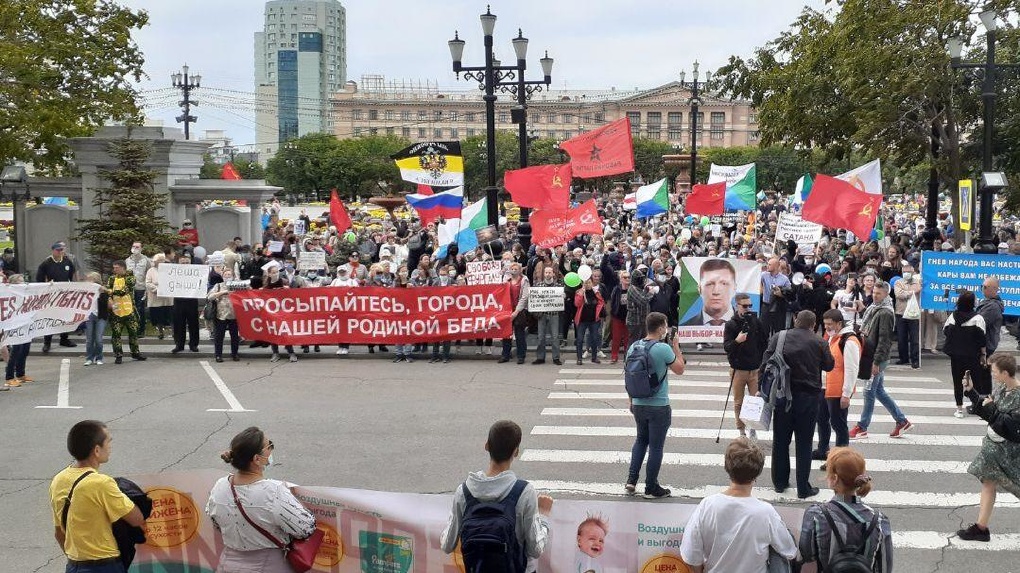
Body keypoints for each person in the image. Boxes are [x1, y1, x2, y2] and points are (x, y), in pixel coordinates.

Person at [440, 420, 553, 571]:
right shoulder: (524, 492)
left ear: (486, 445)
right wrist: (544, 516)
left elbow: (447, 545)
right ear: (516, 452)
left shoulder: (464, 491)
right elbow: (535, 549)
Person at [205, 427, 317, 572]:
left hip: (227, 565)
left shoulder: (220, 486)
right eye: (269, 446)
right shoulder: (273, 491)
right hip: (267, 566)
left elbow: (217, 523)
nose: (271, 449)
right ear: (257, 459)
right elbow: (306, 528)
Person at [680, 438, 798, 573]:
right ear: (757, 473)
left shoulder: (707, 506)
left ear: (727, 468)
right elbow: (789, 551)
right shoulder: (766, 512)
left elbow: (691, 556)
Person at [50, 420, 146, 573]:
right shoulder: (101, 483)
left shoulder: (59, 480)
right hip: (105, 566)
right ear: (96, 450)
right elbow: (137, 518)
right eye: (108, 441)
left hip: (73, 566)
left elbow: (59, 533)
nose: (110, 446)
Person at [766, 310, 835, 499]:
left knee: (780, 441)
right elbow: (829, 365)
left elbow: (766, 363)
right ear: (813, 325)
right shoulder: (819, 341)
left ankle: (780, 482)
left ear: (796, 321)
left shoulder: (779, 337)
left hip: (782, 396)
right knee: (804, 444)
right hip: (809, 399)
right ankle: (803, 488)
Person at [957, 353, 1020, 541]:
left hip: (1009, 453)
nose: (992, 374)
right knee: (988, 483)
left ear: (1005, 373)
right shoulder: (1001, 389)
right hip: (993, 448)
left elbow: (1010, 427)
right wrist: (971, 392)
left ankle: (981, 528)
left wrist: (991, 408)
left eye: (994, 371)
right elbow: (988, 409)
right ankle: (981, 528)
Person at [799, 448, 893, 569]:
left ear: (834, 479)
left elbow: (807, 555)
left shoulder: (816, 515)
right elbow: (885, 567)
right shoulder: (879, 520)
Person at [626, 312, 685, 499]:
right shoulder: (662, 348)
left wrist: (631, 401)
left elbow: (629, 375)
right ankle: (651, 487)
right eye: (665, 326)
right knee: (656, 447)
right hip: (658, 405)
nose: (666, 329)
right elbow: (680, 369)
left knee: (641, 440)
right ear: (660, 328)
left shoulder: (634, 346)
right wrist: (675, 346)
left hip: (637, 403)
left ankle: (631, 480)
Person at [850, 280, 913, 440]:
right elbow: (872, 325)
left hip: (876, 357)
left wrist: (876, 362)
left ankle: (862, 427)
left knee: (869, 392)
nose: (875, 296)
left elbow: (885, 339)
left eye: (878, 293)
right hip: (873, 354)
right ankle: (902, 421)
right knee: (878, 391)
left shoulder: (885, 312)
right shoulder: (876, 308)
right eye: (874, 292)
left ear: (886, 294)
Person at [816, 309, 860, 463]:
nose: (826, 327)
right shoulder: (832, 337)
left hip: (838, 390)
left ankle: (840, 459)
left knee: (838, 424)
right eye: (825, 324)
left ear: (839, 323)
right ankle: (823, 450)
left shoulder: (849, 341)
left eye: (830, 324)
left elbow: (851, 369)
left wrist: (846, 394)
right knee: (821, 420)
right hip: (825, 387)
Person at [723, 293, 768, 439]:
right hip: (738, 369)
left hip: (755, 369)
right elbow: (727, 347)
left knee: (755, 402)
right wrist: (737, 341)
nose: (748, 308)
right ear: (737, 306)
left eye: (750, 305)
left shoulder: (756, 321)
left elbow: (764, 342)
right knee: (739, 402)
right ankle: (741, 431)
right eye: (745, 306)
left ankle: (753, 429)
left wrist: (761, 363)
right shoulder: (731, 324)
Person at [944, 290, 987, 418]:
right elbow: (982, 339)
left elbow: (945, 331)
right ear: (973, 303)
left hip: (956, 355)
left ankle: (959, 409)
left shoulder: (953, 316)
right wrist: (983, 354)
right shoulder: (978, 318)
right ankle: (978, 408)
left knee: (957, 381)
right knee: (976, 381)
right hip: (973, 355)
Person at [36, 241, 78, 352]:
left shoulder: (67, 262)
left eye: (62, 250)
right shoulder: (46, 263)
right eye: (58, 250)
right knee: (50, 318)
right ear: (53, 250)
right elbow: (39, 279)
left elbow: (71, 276)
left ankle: (64, 339)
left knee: (64, 317)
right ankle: (47, 342)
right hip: (51, 296)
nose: (60, 252)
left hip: (64, 295)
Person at [107, 261, 146, 365]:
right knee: (116, 335)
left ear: (123, 268)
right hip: (116, 311)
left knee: (133, 333)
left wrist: (109, 291)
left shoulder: (130, 278)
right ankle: (118, 355)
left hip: (129, 311)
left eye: (117, 268)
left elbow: (123, 291)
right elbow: (108, 290)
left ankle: (135, 353)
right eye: (114, 268)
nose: (114, 270)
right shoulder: (111, 278)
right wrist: (109, 298)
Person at [974, 277, 1005, 398]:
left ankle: (983, 400)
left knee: (982, 374)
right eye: (982, 286)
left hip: (986, 344)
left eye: (985, 287)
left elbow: (980, 322)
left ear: (994, 289)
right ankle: (982, 399)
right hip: (984, 343)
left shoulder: (992, 306)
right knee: (982, 372)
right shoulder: (987, 303)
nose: (983, 289)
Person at [682, 259, 737, 326]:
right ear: (700, 289)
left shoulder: (750, 326)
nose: (716, 292)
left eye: (724, 284)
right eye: (710, 284)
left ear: (734, 288)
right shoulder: (685, 327)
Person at [262, 261, 297, 363]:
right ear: (268, 274)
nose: (275, 274)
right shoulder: (266, 283)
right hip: (271, 312)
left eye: (277, 272)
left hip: (283, 311)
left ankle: (291, 352)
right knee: (273, 332)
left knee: (285, 332)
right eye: (273, 272)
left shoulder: (284, 281)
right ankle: (275, 353)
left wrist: (288, 290)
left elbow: (292, 296)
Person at [499, 262, 530, 365]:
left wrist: (516, 311)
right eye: (512, 269)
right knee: (506, 334)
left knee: (519, 333)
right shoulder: (506, 281)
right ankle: (505, 355)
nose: (514, 270)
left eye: (516, 269)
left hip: (519, 311)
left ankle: (521, 356)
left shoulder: (524, 281)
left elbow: (524, 297)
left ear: (520, 270)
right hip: (507, 310)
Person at [207, 268, 241, 362]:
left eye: (229, 275)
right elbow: (210, 297)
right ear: (222, 276)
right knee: (219, 336)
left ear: (233, 276)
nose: (228, 276)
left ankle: (235, 354)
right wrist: (222, 292)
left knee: (234, 336)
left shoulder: (237, 286)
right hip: (221, 315)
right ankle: (218, 355)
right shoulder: (218, 285)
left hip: (234, 315)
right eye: (226, 275)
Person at [531, 266, 563, 366]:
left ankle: (556, 358)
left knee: (555, 337)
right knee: (541, 337)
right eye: (546, 272)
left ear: (553, 274)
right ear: (543, 274)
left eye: (550, 272)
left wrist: (563, 296)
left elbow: (561, 299)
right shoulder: (538, 285)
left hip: (554, 314)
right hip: (542, 314)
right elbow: (534, 298)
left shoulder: (558, 286)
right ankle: (540, 357)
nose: (548, 274)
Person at [170, 253, 201, 354]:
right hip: (178, 301)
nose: (185, 264)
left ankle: (193, 344)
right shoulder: (174, 272)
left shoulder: (195, 272)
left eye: (187, 262)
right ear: (178, 263)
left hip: (192, 300)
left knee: (193, 323)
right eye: (182, 262)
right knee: (178, 323)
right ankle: (179, 344)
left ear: (190, 262)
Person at [893, 262, 921, 368]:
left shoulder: (917, 281)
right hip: (901, 313)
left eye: (908, 272)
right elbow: (898, 295)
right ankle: (903, 358)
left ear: (912, 272)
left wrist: (906, 291)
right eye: (904, 272)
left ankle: (915, 360)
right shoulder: (898, 282)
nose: (906, 273)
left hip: (914, 314)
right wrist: (911, 292)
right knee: (901, 338)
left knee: (914, 338)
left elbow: (918, 289)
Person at [574, 277, 605, 366]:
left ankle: (594, 357)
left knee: (594, 338)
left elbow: (601, 302)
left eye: (589, 282)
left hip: (594, 320)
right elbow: (577, 304)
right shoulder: (579, 292)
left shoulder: (596, 292)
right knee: (580, 339)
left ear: (592, 283)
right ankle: (579, 358)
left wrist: (599, 314)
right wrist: (581, 293)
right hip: (582, 320)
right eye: (585, 283)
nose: (587, 284)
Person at [83, 272, 109, 366]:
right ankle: (89, 358)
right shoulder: (85, 291)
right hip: (89, 316)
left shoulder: (103, 291)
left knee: (98, 339)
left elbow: (106, 304)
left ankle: (99, 357)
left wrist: (102, 292)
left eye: (91, 280)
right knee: (89, 339)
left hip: (101, 316)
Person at [760, 257, 791, 336]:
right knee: (763, 329)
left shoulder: (784, 279)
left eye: (770, 264)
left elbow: (790, 294)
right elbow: (753, 277)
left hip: (778, 307)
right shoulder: (764, 275)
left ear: (776, 266)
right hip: (766, 306)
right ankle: (764, 347)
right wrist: (757, 265)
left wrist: (781, 294)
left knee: (779, 331)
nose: (767, 266)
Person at [125, 242, 150, 336]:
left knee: (140, 310)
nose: (135, 248)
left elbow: (148, 274)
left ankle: (141, 330)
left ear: (141, 248)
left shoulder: (146, 260)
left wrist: (147, 289)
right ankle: (132, 329)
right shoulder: (127, 260)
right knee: (130, 309)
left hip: (141, 288)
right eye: (133, 246)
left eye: (137, 247)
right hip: (130, 289)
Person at [145, 253, 173, 340]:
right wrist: (157, 289)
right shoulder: (151, 271)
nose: (161, 262)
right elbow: (148, 283)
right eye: (159, 260)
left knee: (170, 315)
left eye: (162, 260)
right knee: (158, 316)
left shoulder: (169, 270)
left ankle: (173, 332)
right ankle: (160, 332)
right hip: (155, 297)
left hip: (167, 298)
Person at [607, 269, 630, 364]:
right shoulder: (616, 289)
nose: (627, 279)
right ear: (621, 279)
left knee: (627, 338)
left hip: (629, 317)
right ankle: (614, 356)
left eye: (629, 277)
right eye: (625, 277)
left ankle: (627, 356)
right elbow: (612, 302)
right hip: (617, 316)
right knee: (616, 337)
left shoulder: (632, 288)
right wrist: (613, 313)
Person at [625, 270, 654, 346]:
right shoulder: (632, 288)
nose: (642, 280)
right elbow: (642, 300)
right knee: (634, 342)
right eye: (639, 278)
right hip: (635, 321)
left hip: (643, 320)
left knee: (642, 343)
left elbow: (643, 296)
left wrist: (646, 290)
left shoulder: (639, 288)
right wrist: (650, 293)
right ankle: (629, 357)